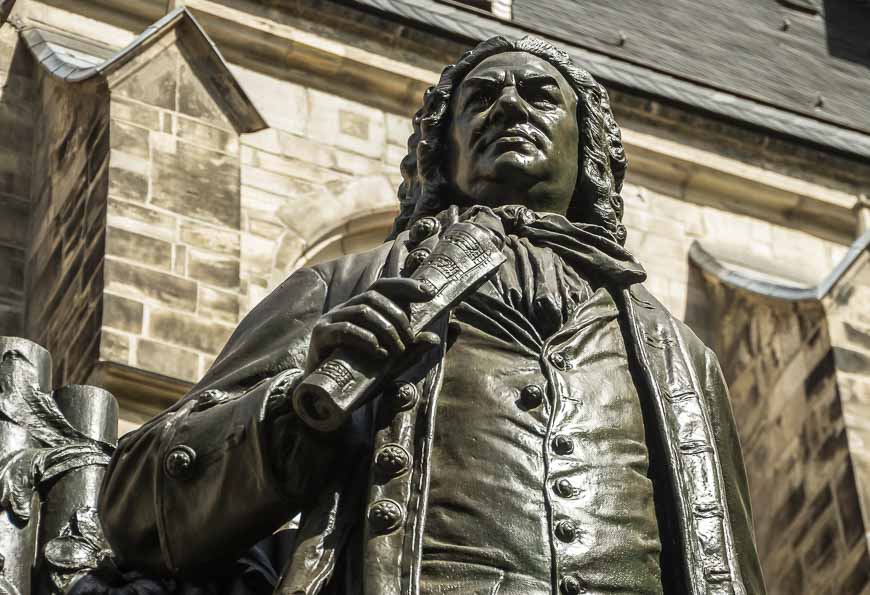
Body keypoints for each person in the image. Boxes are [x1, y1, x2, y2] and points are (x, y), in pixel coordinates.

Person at [99, 36, 765, 595]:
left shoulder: (677, 353)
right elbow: (135, 507)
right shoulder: (347, 284)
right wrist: (292, 414)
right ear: (441, 154)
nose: (509, 103)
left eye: (539, 93)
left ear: (586, 148)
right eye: (482, 97)